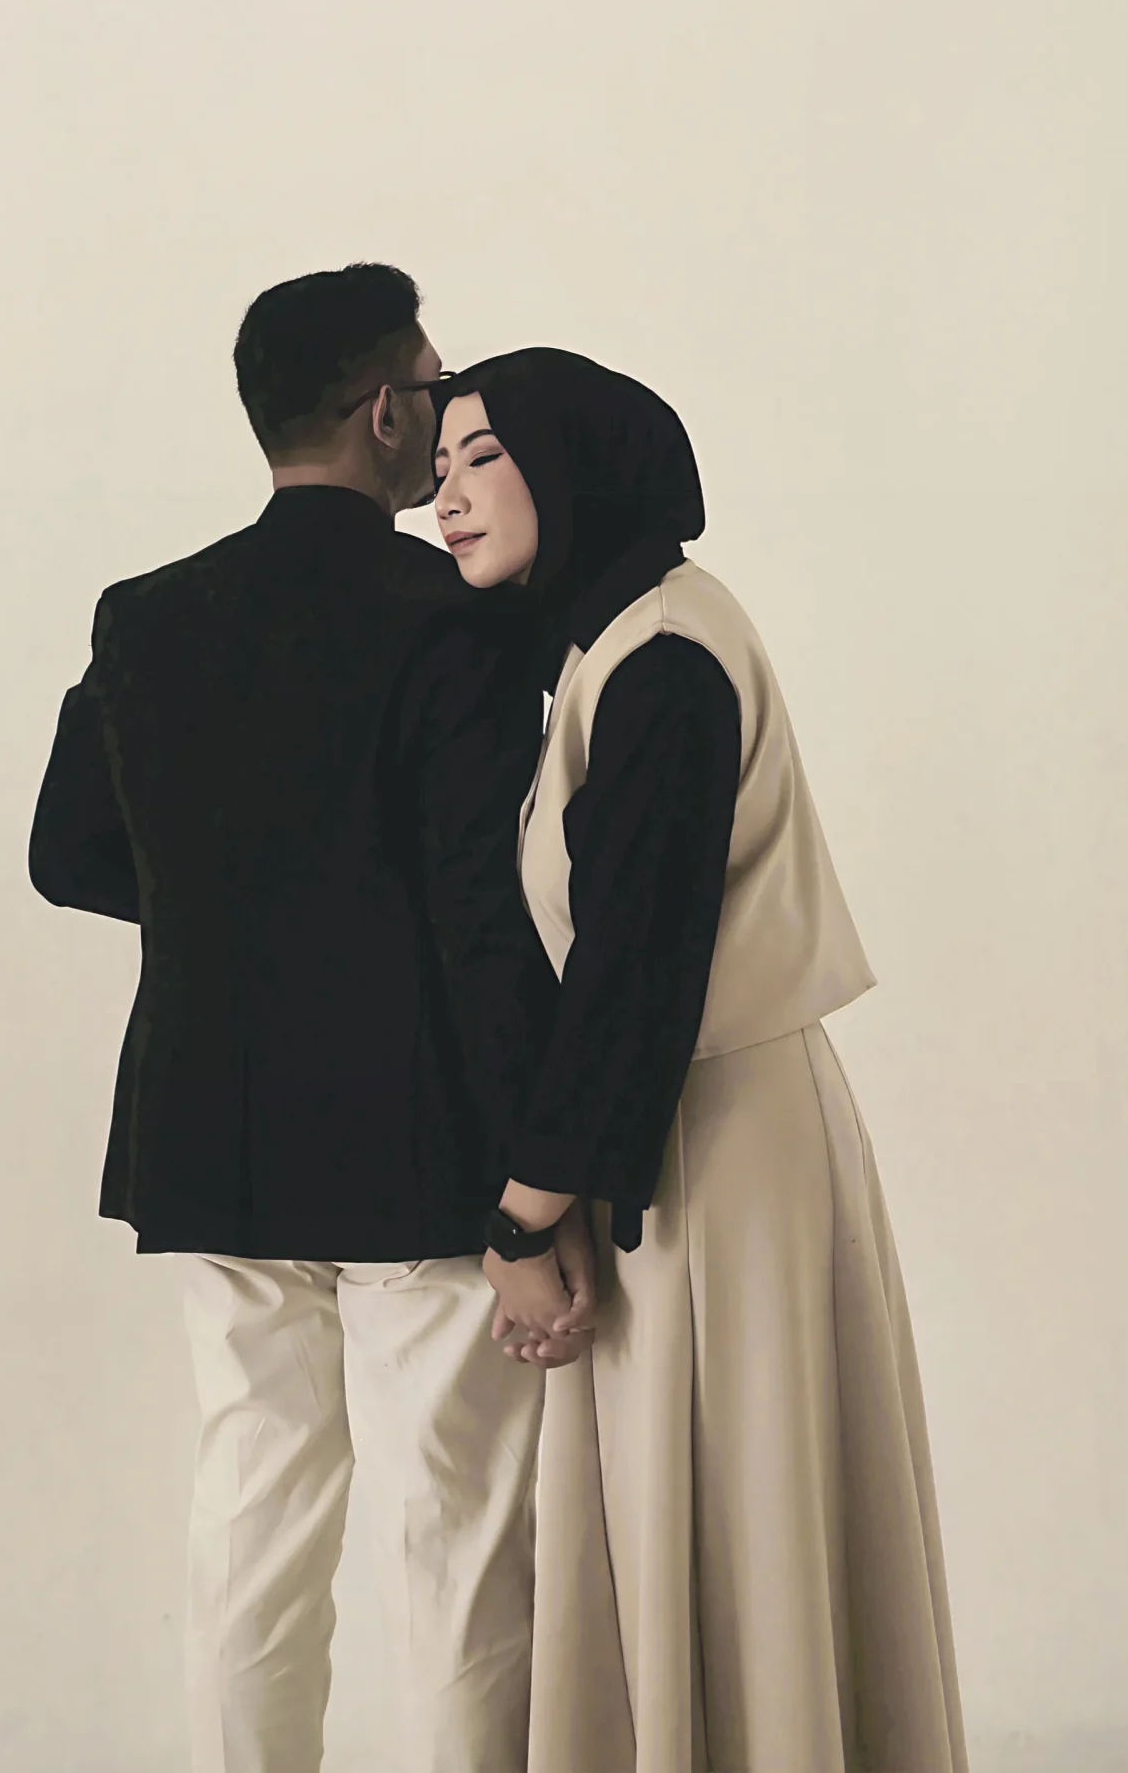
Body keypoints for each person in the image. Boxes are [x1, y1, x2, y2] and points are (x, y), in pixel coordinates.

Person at [26, 266, 589, 1773]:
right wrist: (537, 1180)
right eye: (435, 386)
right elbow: (479, 917)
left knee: (253, 1508)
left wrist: (246, 924)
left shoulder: (145, 615)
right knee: (454, 1527)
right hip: (419, 1133)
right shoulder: (456, 621)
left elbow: (66, 855)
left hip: (212, 1130)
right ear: (386, 412)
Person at [429, 348, 970, 1773]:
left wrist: (522, 1217)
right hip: (706, 1119)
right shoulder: (624, 637)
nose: (447, 497)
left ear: (569, 462)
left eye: (481, 457)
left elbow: (634, 975)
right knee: (717, 1504)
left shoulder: (661, 660)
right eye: (436, 467)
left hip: (713, 1138)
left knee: (734, 1495)